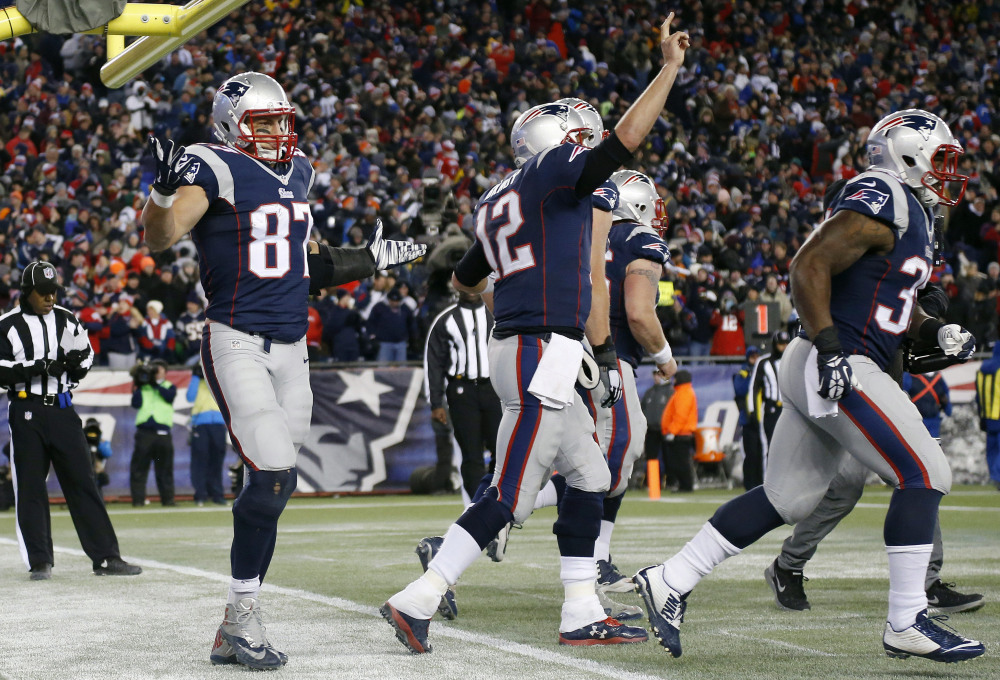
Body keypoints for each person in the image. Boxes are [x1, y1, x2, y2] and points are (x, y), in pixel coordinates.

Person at [383, 15, 690, 653]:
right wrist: (667, 70)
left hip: (530, 345)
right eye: (579, 139)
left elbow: (468, 280)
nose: (590, 147)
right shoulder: (553, 176)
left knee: (588, 477)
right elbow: (626, 141)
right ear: (555, 145)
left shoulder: (499, 197)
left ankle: (582, 610)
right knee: (512, 490)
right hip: (540, 350)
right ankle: (420, 597)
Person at [633, 109, 985, 662]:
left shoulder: (913, 214)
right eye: (941, 158)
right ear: (906, 153)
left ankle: (670, 579)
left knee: (788, 498)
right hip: (838, 358)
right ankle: (906, 619)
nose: (948, 171)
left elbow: (890, 305)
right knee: (925, 472)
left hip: (824, 358)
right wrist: (830, 349)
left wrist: (936, 329)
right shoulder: (884, 194)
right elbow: (808, 265)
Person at [141, 70, 425, 670]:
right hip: (237, 339)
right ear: (231, 125)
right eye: (262, 122)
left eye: (281, 121)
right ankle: (242, 620)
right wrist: (162, 195)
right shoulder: (211, 165)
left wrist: (372, 258)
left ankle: (233, 624)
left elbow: (309, 264)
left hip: (294, 349)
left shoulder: (299, 172)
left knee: (274, 482)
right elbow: (162, 239)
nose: (275, 131)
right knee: (270, 473)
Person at [1, 261, 141, 579]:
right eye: (43, 292)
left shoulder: (66, 319)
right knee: (31, 487)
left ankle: (106, 557)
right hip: (27, 410)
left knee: (83, 482)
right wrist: (39, 366)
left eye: (54, 292)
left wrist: (76, 365)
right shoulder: (7, 325)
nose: (50, 297)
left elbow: (86, 354)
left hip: (64, 410)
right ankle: (40, 561)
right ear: (27, 293)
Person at [423, 288, 502, 500]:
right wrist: (436, 402)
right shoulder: (446, 319)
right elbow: (434, 363)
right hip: (461, 391)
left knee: (501, 449)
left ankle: (495, 501)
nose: (471, 289)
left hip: (494, 389)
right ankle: (477, 505)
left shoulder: (497, 315)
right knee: (471, 453)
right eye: (467, 284)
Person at [743, 330, 788, 488]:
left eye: (785, 344)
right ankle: (768, 485)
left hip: (789, 410)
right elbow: (754, 388)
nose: (783, 347)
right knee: (768, 447)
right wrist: (754, 411)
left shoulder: (792, 360)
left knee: (789, 449)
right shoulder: (763, 362)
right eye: (780, 344)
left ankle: (787, 485)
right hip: (771, 409)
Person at [129, 358, 177, 507]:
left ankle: (168, 500)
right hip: (145, 434)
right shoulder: (143, 387)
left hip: (163, 434)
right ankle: (138, 500)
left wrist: (155, 384)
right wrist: (138, 382)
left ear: (165, 372)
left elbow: (169, 397)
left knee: (164, 469)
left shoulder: (170, 386)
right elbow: (135, 403)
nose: (156, 372)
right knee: (139, 468)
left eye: (159, 369)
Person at [187, 363, 229, 506]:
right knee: (200, 460)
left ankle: (217, 494)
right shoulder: (197, 382)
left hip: (218, 422)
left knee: (217, 460)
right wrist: (195, 376)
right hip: (200, 423)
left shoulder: (216, 380)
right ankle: (200, 494)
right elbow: (190, 397)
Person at [660, 369, 697, 492]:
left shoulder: (684, 392)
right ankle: (684, 485)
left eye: (675, 378)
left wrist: (672, 431)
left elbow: (681, 416)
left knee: (680, 462)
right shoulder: (682, 392)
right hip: (680, 433)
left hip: (681, 434)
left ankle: (686, 485)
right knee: (679, 461)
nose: (673, 381)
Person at [733, 345, 759, 488]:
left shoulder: (763, 370)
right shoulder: (742, 373)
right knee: (750, 454)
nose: (754, 359)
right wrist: (754, 378)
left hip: (762, 419)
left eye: (757, 356)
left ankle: (761, 483)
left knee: (762, 453)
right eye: (752, 356)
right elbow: (740, 389)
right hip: (748, 420)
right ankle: (750, 485)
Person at [975, 341, 1000, 490]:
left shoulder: (982, 369)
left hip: (988, 415)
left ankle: (995, 476)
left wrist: (981, 415)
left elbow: (978, 396)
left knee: (991, 449)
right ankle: (998, 478)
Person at [902, 370, 951, 438]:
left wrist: (946, 406)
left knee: (933, 445)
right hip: (916, 421)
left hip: (933, 421)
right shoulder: (909, 375)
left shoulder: (938, 378)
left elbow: (947, 405)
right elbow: (902, 396)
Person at [84, 417, 113, 495]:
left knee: (101, 480)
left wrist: (98, 443)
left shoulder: (101, 441)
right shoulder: (81, 440)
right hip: (84, 469)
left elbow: (108, 453)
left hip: (97, 470)